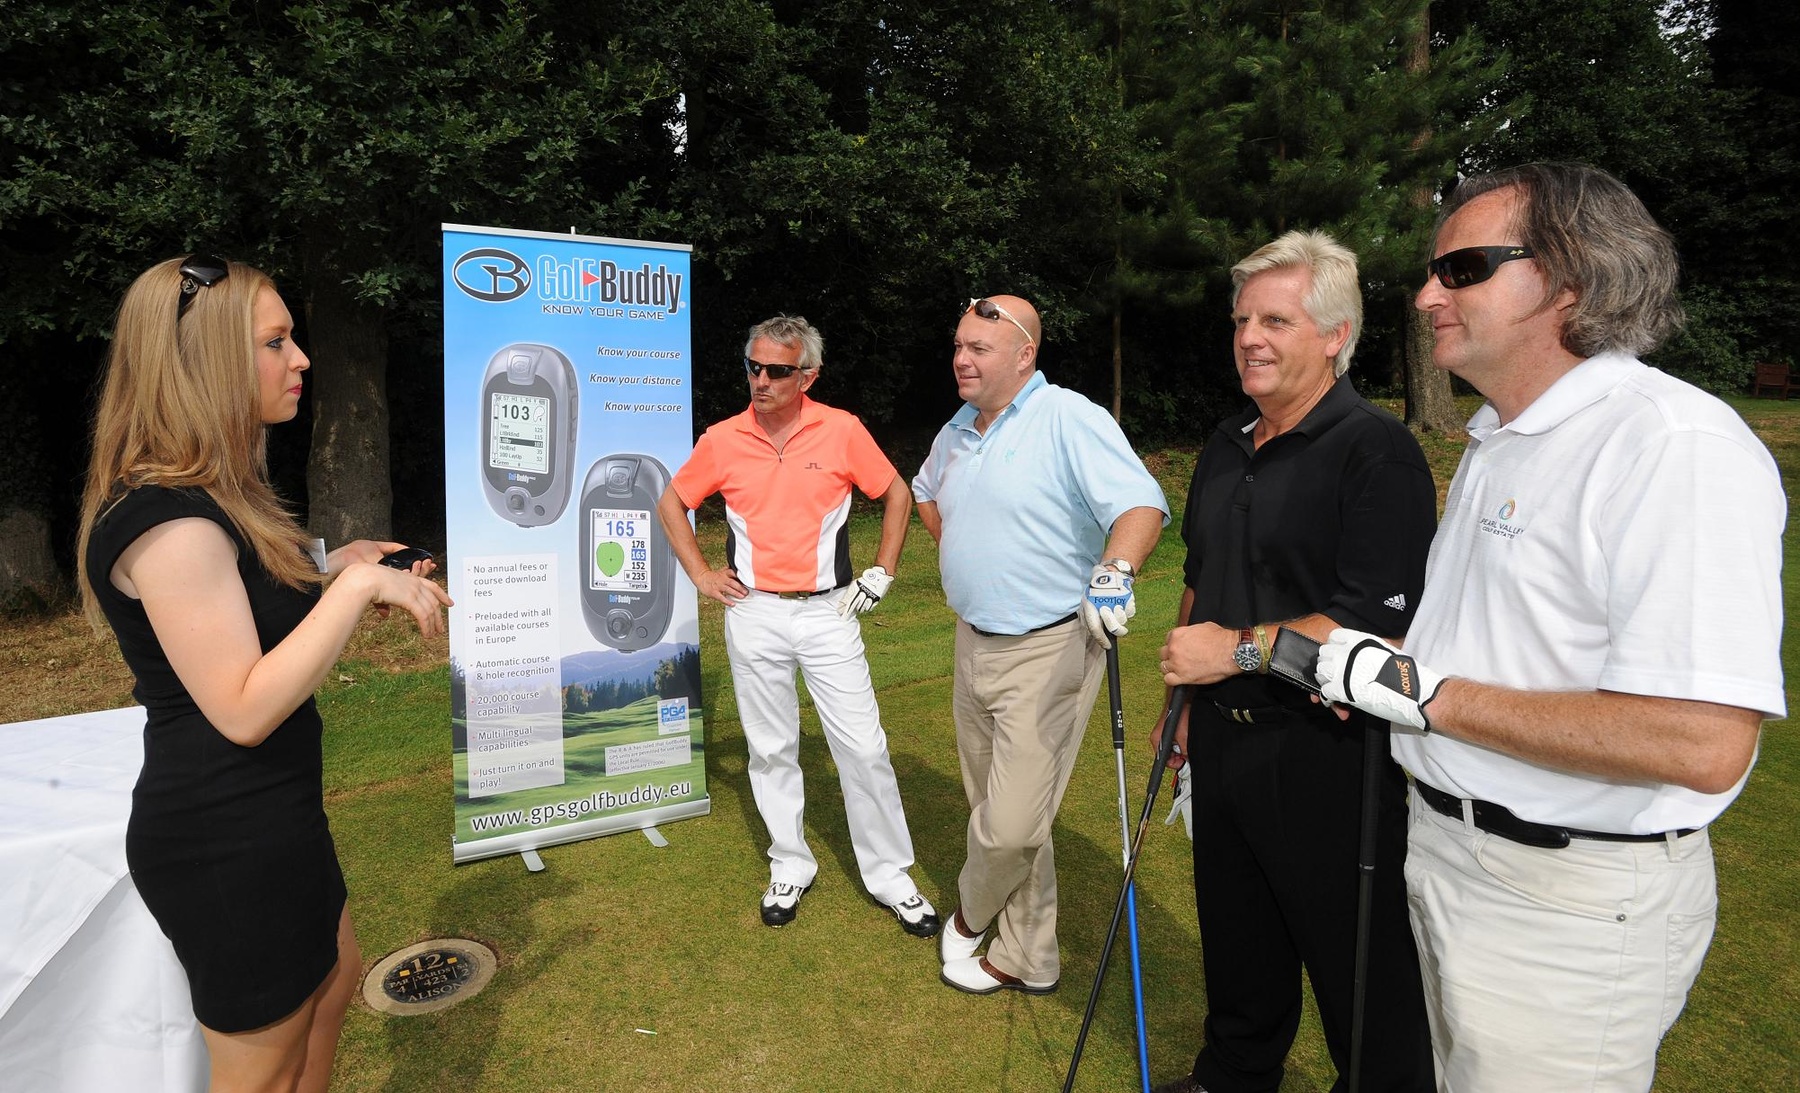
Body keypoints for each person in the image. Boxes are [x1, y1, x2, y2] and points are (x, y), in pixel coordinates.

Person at [1315, 163, 1785, 1092]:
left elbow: (1700, 740)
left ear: (1568, 279)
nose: (1423, 296)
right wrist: (1380, 668)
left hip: (1565, 903)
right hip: (1452, 854)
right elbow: (1494, 650)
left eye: (1463, 269)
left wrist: (1426, 698)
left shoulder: (1670, 446)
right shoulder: (1503, 438)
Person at [75, 255, 452, 1093]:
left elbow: (243, 588)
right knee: (261, 1071)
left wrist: (330, 563)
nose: (302, 359)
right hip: (223, 837)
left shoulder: (213, 497)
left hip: (276, 812)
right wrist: (354, 589)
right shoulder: (166, 521)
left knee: (331, 985)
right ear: (204, 362)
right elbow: (243, 705)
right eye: (276, 342)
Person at [1149, 232, 1436, 1093]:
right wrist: (1182, 707)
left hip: (1330, 753)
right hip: (1227, 741)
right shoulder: (1226, 437)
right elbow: (1202, 584)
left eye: (1275, 319)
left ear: (1335, 333)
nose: (1249, 337)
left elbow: (1373, 630)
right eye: (1242, 320)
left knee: (1359, 968)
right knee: (1239, 941)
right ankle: (1233, 1075)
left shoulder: (1375, 450)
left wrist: (1230, 654)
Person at [913, 295, 1168, 995]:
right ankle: (1029, 955)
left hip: (1049, 645)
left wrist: (1115, 572)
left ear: (1025, 354)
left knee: (1011, 826)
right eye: (959, 345)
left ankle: (969, 916)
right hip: (972, 641)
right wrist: (960, 548)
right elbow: (926, 490)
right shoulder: (957, 429)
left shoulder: (1069, 417)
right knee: (995, 808)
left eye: (979, 349)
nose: (962, 359)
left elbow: (1140, 504)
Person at [656, 315, 939, 937]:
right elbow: (672, 502)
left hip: (829, 611)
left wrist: (883, 569)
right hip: (753, 610)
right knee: (770, 745)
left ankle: (891, 875)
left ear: (807, 375)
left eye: (777, 370)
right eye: (753, 367)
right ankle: (790, 862)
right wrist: (703, 574)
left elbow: (895, 492)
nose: (761, 380)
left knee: (863, 747)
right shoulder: (723, 437)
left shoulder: (841, 430)